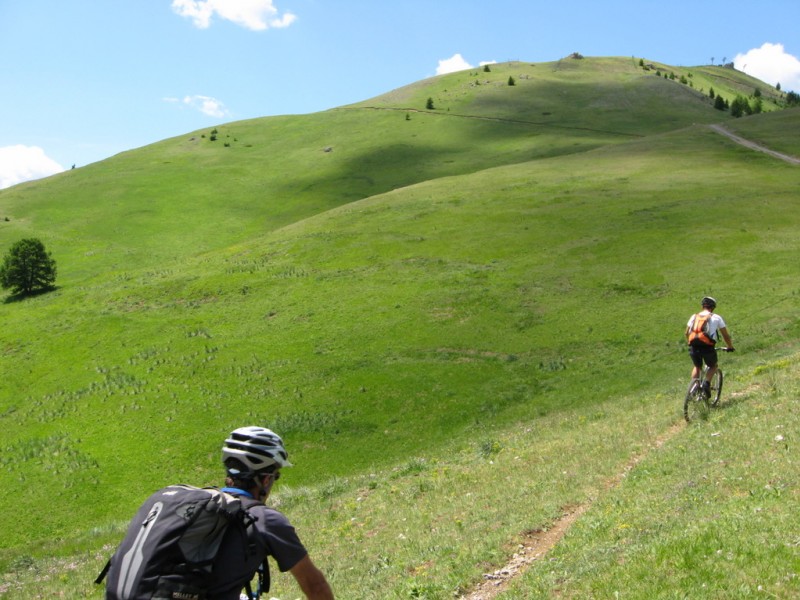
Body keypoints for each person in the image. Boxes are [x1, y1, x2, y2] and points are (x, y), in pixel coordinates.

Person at [210, 426, 334, 600]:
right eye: (276, 476)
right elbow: (316, 587)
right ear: (266, 479)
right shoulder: (265, 519)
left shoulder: (197, 507)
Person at [685, 296, 734, 396]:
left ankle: (695, 387)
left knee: (697, 366)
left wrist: (690, 343)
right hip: (707, 347)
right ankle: (707, 384)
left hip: (694, 346)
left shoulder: (694, 316)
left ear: (703, 306)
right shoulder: (716, 317)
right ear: (713, 307)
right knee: (713, 366)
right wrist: (730, 346)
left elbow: (686, 332)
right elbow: (725, 335)